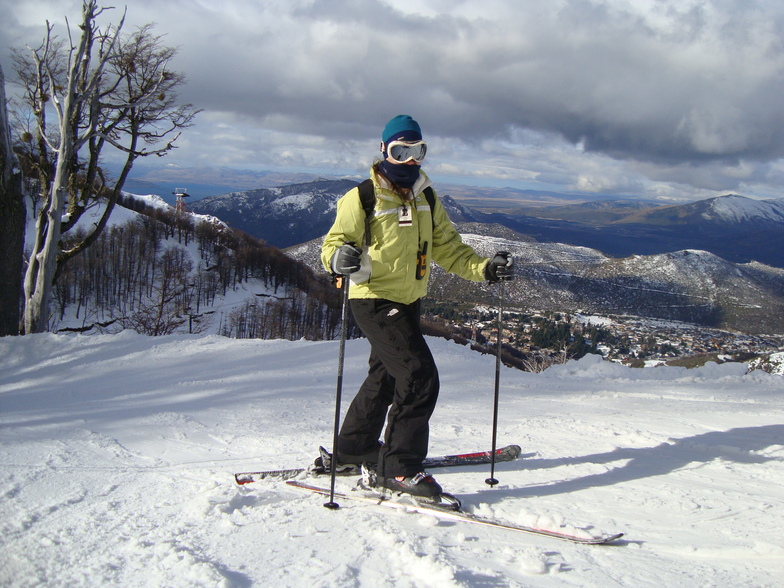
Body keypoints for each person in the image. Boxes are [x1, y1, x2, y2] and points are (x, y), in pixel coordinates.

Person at [320, 114, 513, 499]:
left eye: (417, 151)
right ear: (384, 150)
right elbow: (334, 243)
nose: (409, 160)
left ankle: (354, 448)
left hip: (409, 300)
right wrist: (336, 259)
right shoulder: (363, 197)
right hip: (373, 299)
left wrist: (484, 269)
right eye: (400, 151)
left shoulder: (425, 196)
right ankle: (400, 467)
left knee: (387, 376)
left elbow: (448, 246)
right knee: (419, 376)